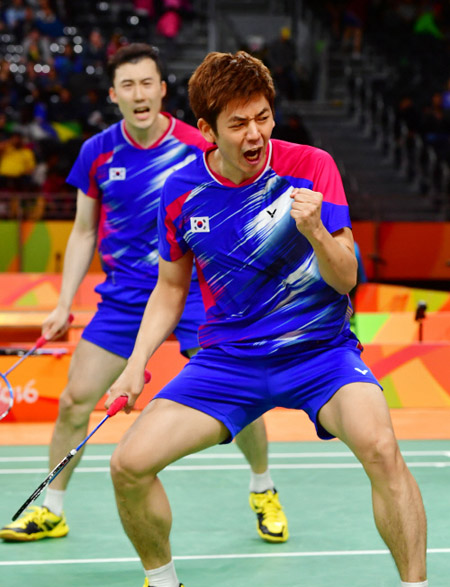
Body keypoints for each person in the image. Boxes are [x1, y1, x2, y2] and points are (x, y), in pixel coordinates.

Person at [101, 50, 435, 587]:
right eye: (237, 123)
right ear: (207, 129)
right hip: (228, 361)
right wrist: (135, 362)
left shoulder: (312, 168)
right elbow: (170, 288)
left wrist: (316, 232)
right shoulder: (181, 191)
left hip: (320, 352)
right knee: (128, 465)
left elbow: (347, 279)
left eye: (262, 117)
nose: (254, 134)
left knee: (381, 447)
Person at [0, 44, 287, 546]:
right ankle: (51, 507)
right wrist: (64, 303)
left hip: (198, 294)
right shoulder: (98, 152)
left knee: (237, 395)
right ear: (114, 94)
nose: (139, 94)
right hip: (126, 298)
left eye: (147, 83)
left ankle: (263, 488)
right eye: (128, 85)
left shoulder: (197, 143)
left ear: (162, 89)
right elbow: (83, 231)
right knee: (74, 400)